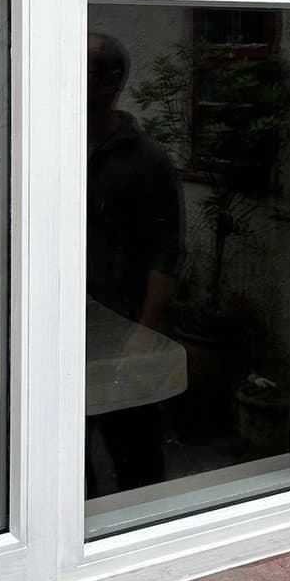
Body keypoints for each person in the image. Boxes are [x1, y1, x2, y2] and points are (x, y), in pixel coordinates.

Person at [86, 31, 182, 492]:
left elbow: (166, 253)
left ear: (110, 82)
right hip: (67, 331)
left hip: (123, 331)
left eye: (79, 68)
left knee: (135, 455)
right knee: (64, 453)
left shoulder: (146, 161)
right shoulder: (56, 149)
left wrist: (145, 331)